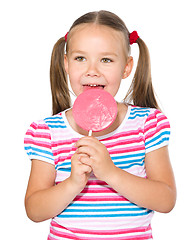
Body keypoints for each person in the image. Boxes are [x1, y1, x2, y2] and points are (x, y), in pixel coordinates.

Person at [24, 10, 176, 240]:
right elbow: (34, 210)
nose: (92, 70)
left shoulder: (147, 125)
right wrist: (73, 183)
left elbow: (166, 200)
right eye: (80, 58)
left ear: (126, 66)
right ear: (66, 63)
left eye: (106, 60)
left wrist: (110, 172)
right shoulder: (47, 133)